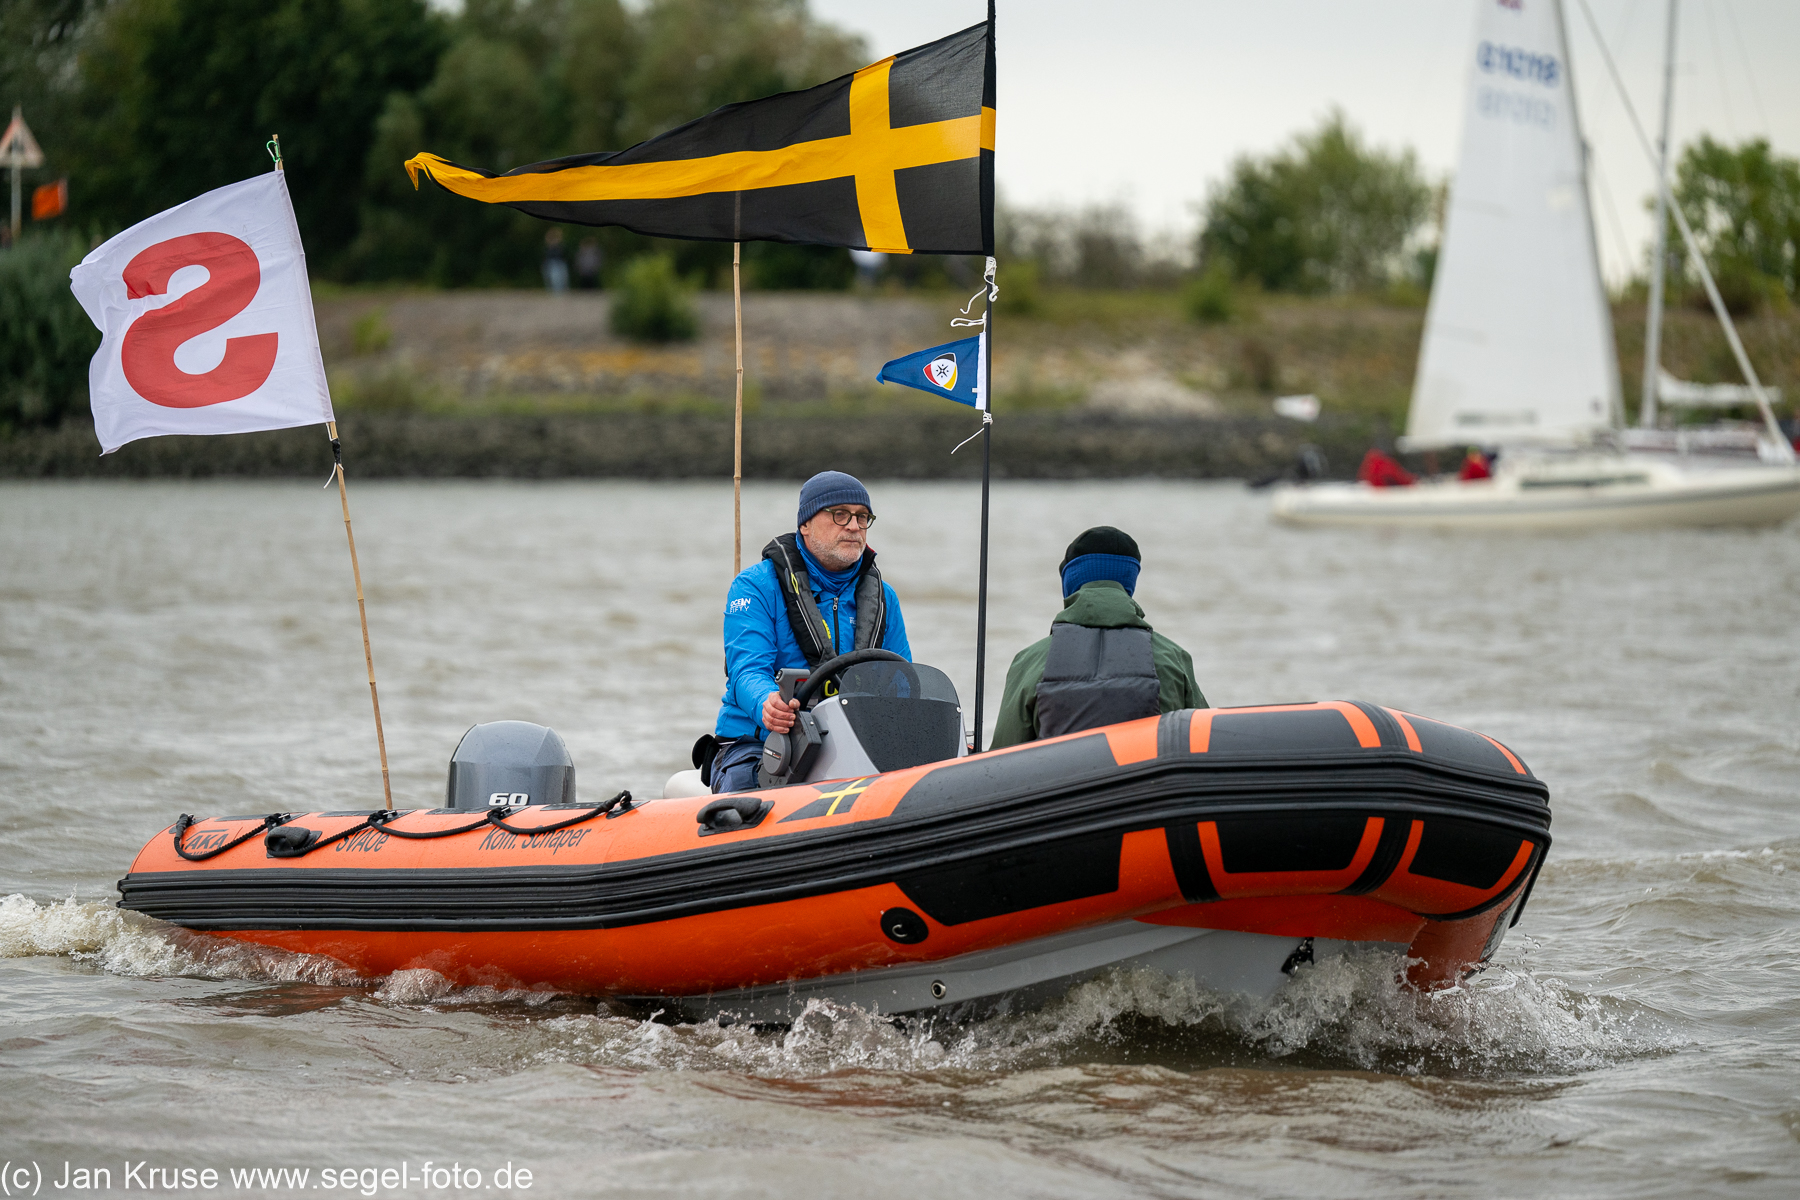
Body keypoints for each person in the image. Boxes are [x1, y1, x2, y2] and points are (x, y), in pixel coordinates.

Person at [708, 471, 911, 792]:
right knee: (744, 786)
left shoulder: (885, 597)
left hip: (857, 741)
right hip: (760, 742)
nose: (854, 526)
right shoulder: (754, 586)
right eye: (839, 515)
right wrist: (767, 703)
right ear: (805, 524)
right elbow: (746, 671)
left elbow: (903, 681)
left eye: (862, 517)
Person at [990, 527, 1205, 750]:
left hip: (1062, 784)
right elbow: (1204, 742)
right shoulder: (1173, 658)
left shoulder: (1029, 661)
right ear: (1129, 583)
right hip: (1150, 785)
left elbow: (1001, 758)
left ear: (1070, 581)